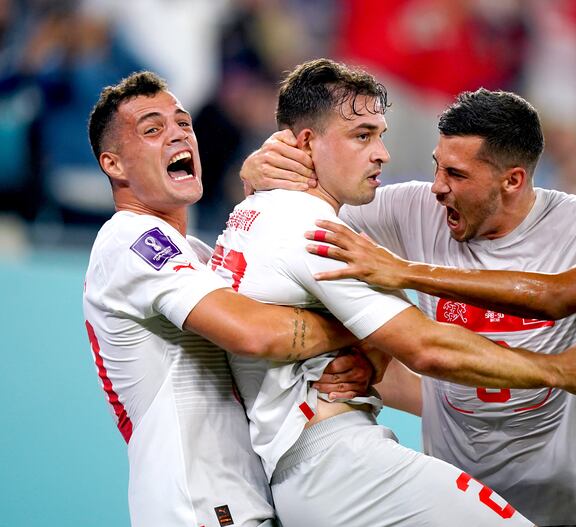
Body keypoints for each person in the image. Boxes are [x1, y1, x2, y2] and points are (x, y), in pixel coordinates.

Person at [248, 86, 576, 526]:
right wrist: (259, 172)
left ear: (512, 181)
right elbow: (293, 237)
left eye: (457, 174)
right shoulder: (410, 210)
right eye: (437, 168)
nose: (438, 187)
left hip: (570, 508)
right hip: (454, 500)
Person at [82, 71, 374, 527]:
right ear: (114, 165)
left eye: (183, 123)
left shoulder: (197, 256)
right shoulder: (130, 238)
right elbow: (253, 334)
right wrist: (361, 326)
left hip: (239, 504)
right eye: (153, 129)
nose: (178, 133)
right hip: (197, 509)